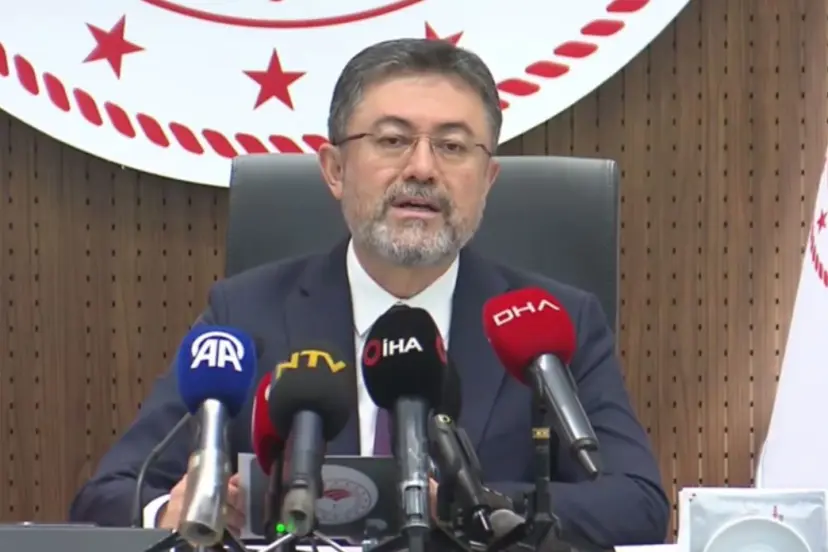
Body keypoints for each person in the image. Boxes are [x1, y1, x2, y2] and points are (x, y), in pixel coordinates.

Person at [68, 37, 669, 548]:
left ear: (487, 180)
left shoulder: (552, 325)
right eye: (392, 140)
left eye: (453, 146)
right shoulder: (245, 314)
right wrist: (174, 509)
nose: (423, 169)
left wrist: (468, 503)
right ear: (334, 170)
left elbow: (637, 503)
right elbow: (109, 496)